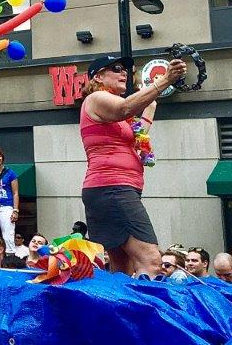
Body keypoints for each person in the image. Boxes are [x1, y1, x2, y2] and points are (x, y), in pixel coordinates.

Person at [80, 53, 187, 277]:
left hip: (110, 189)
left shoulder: (114, 115)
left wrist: (150, 106)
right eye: (116, 69)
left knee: (123, 266)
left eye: (125, 69)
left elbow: (137, 138)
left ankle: (121, 310)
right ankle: (145, 311)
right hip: (113, 188)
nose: (124, 73)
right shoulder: (96, 98)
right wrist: (165, 80)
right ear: (98, 77)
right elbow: (125, 108)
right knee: (151, 261)